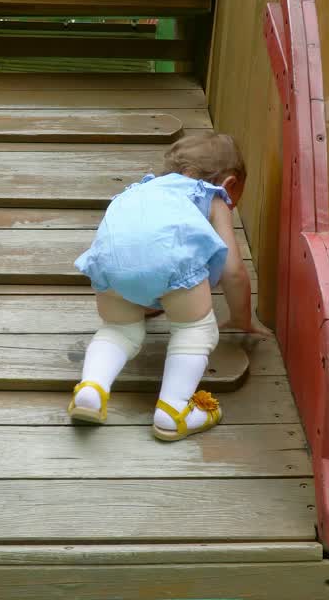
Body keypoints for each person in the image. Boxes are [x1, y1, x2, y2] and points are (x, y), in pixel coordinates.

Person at [70, 132, 269, 441]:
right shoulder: (211, 195)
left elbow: (139, 247)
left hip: (109, 265)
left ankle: (92, 389)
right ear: (229, 184)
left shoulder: (141, 190)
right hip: (171, 267)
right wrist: (242, 319)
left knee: (118, 330)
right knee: (195, 331)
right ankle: (174, 410)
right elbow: (233, 271)